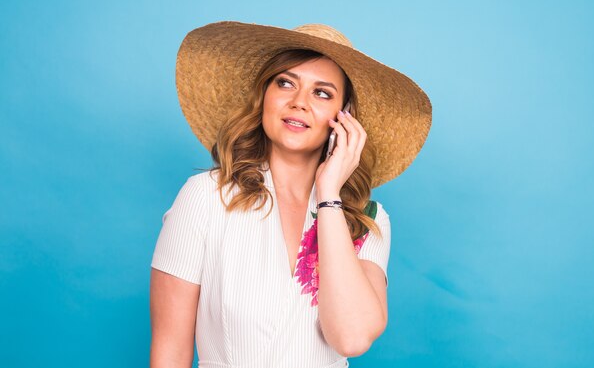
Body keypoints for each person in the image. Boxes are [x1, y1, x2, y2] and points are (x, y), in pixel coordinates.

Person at [149, 21, 432, 368]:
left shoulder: (368, 219)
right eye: (285, 83)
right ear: (264, 96)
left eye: (322, 93)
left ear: (345, 119)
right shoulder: (206, 197)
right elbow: (170, 351)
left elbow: (352, 337)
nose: (299, 102)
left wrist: (328, 196)